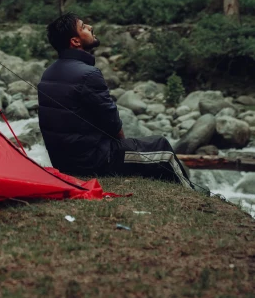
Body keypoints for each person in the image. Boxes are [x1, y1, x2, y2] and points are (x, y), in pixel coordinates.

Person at [37, 12, 192, 187]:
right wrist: (123, 147)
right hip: (92, 162)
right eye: (83, 27)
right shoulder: (88, 74)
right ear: (75, 41)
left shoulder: (47, 73)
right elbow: (112, 123)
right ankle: (193, 193)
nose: (90, 27)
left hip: (64, 163)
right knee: (162, 146)